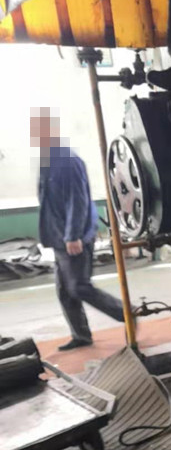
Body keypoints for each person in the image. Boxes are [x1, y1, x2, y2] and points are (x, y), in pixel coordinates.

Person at [30, 108, 124, 351]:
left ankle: (127, 314)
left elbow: (77, 201)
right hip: (60, 237)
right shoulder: (47, 160)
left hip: (74, 236)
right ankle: (81, 335)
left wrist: (73, 236)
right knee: (65, 291)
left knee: (79, 286)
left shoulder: (68, 161)